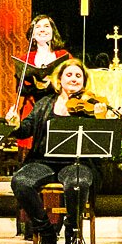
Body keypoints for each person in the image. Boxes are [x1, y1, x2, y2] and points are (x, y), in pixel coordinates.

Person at [6, 58, 109, 244]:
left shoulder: (92, 105)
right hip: (43, 161)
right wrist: (15, 124)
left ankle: (72, 233)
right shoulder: (44, 104)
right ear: (59, 79)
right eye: (68, 75)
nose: (73, 79)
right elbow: (25, 129)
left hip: (76, 162)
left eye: (78, 76)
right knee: (21, 181)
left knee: (77, 182)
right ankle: (45, 231)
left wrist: (100, 118)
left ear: (84, 81)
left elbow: (100, 142)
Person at [14, 14, 71, 149]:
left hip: (58, 107)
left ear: (53, 32)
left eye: (47, 26)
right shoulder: (25, 58)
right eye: (38, 27)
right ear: (32, 34)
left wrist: (52, 82)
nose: (42, 30)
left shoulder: (64, 55)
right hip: (33, 107)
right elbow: (20, 90)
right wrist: (36, 84)